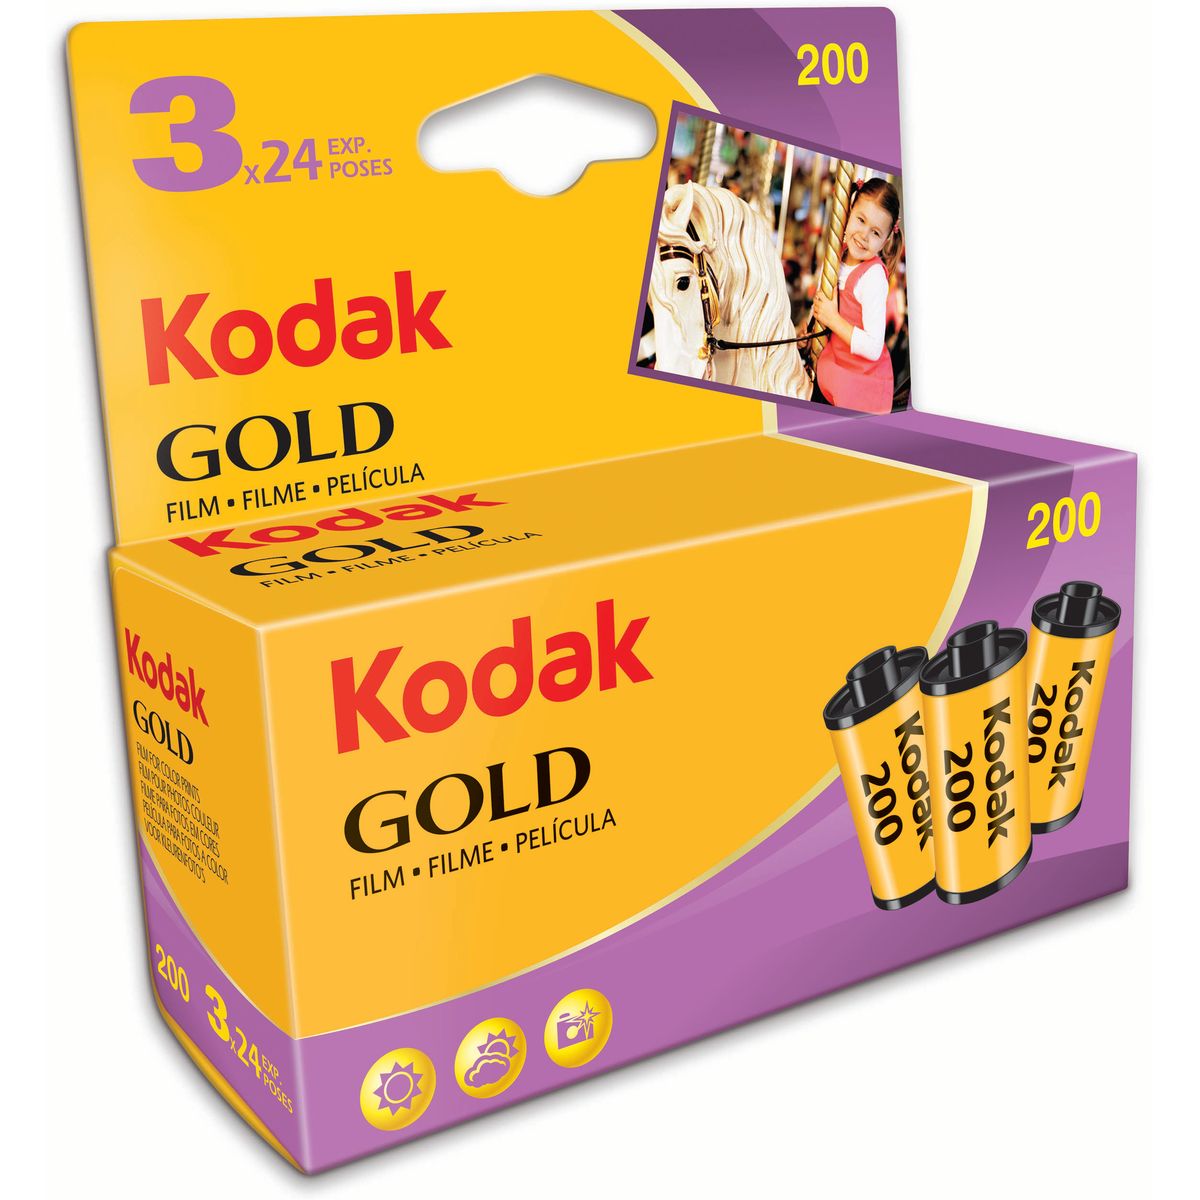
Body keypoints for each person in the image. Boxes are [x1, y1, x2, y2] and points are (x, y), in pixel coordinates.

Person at [811, 178, 903, 413]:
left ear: (885, 240)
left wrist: (833, 319)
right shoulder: (837, 258)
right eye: (861, 220)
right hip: (834, 363)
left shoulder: (873, 277)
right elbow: (821, 307)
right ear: (849, 212)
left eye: (875, 232)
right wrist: (806, 330)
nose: (863, 235)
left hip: (858, 380)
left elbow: (873, 347)